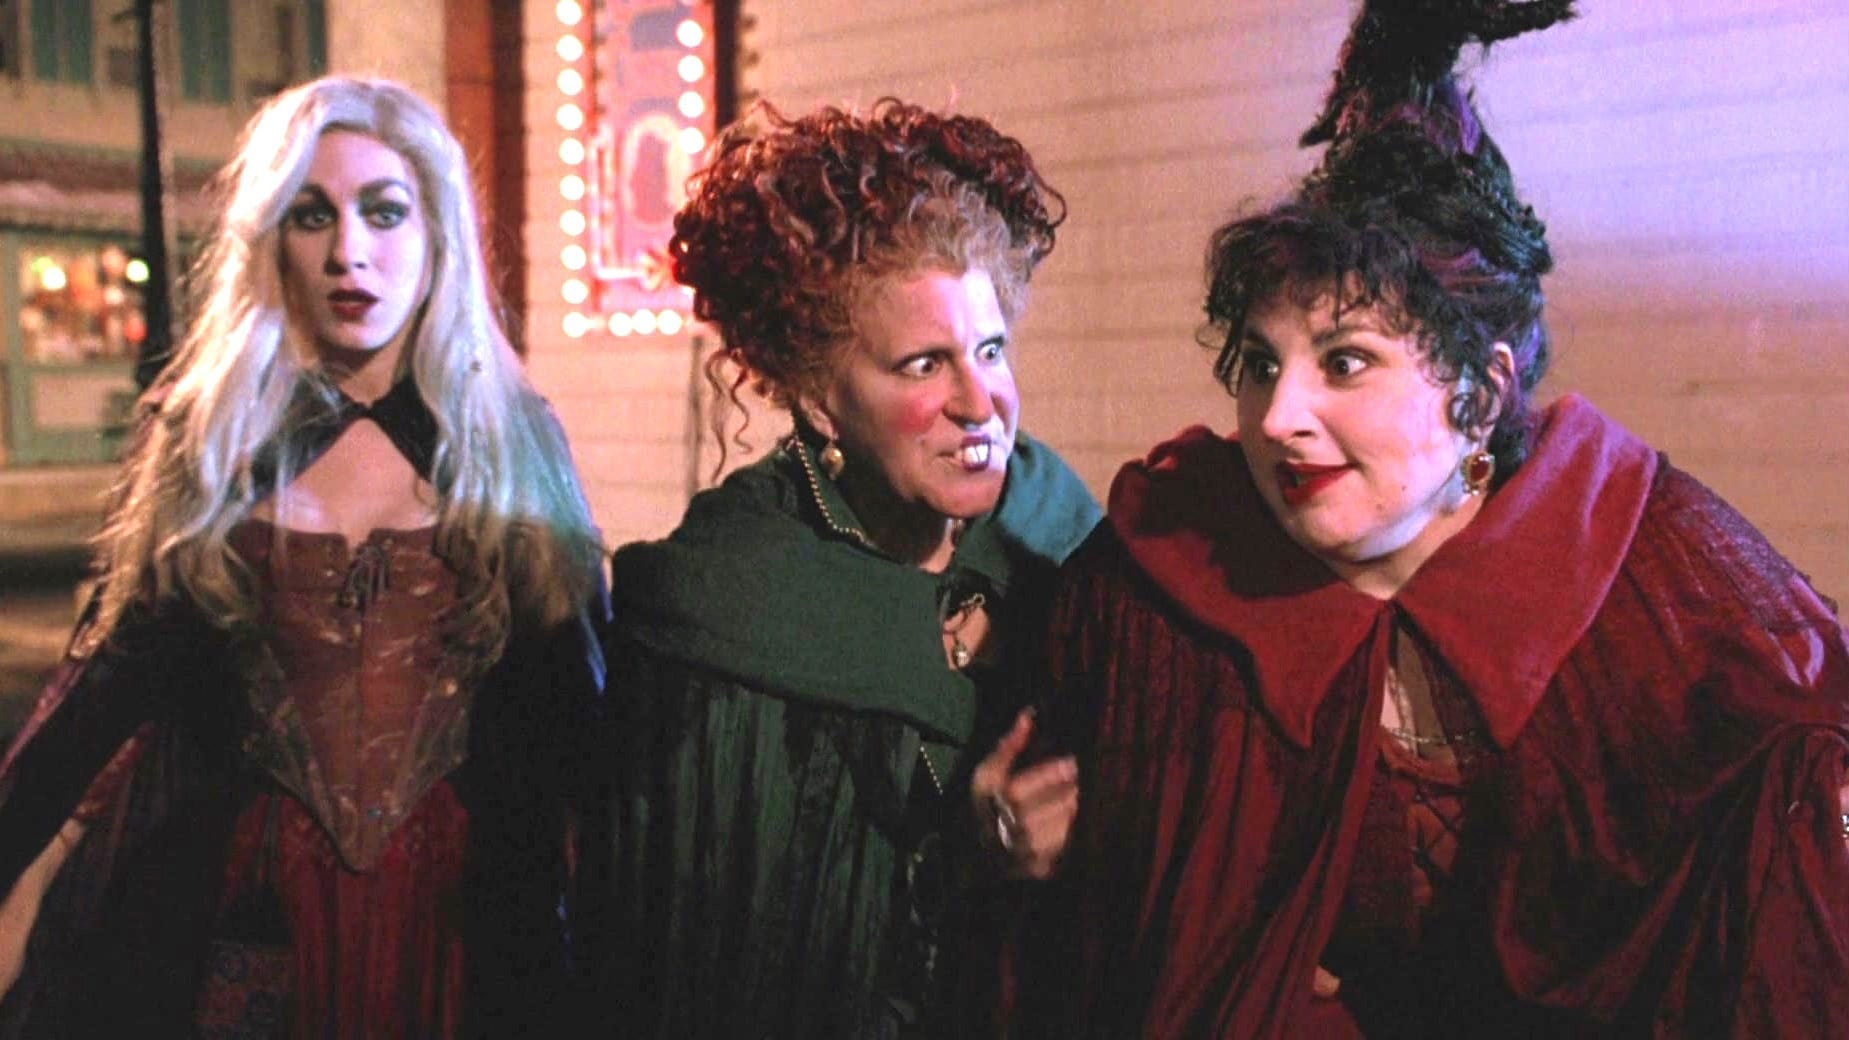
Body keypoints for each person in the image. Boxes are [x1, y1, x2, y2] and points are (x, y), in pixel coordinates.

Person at [1006, 2, 1849, 1036]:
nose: (1275, 416)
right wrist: (1006, 843)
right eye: (1260, 363)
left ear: (1481, 391)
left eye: (1344, 362)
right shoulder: (1163, 580)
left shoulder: (1655, 579)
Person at [0, 77, 606, 1037]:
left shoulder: (509, 439)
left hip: (465, 915)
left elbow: (577, 712)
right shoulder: (209, 438)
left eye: (384, 212)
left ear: (437, 234)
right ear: (271, 237)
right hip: (247, 907)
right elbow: (105, 688)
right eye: (311, 214)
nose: (347, 252)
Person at [593, 98, 1098, 1038]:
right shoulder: (722, 603)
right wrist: (967, 852)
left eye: (989, 350)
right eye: (922, 366)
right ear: (820, 400)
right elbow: (705, 950)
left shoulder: (1066, 544)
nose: (979, 401)